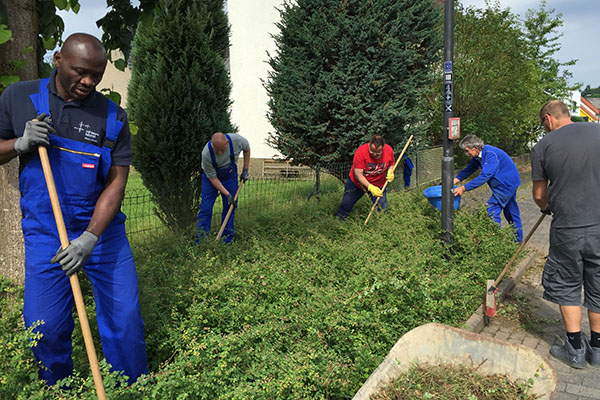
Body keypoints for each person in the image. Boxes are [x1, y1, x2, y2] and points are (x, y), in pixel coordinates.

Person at [0, 33, 147, 386]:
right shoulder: (18, 97)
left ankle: (131, 388)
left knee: (125, 318)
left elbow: (116, 183)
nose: (89, 82)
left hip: (102, 232)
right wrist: (19, 143)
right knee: (45, 325)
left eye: (96, 75)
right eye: (81, 72)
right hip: (46, 230)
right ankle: (59, 388)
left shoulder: (113, 117)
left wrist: (90, 237)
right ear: (57, 59)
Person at [531, 100, 600, 369]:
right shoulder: (597, 130)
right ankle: (597, 348)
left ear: (549, 119)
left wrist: (546, 207)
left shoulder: (543, 147)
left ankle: (574, 349)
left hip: (568, 228)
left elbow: (538, 195)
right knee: (597, 283)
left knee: (567, 283)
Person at [453, 134, 523, 242]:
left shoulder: (490, 155)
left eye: (467, 151)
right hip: (507, 183)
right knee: (511, 212)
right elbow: (469, 169)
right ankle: (517, 241)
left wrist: (463, 188)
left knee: (491, 210)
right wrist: (455, 180)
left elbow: (485, 176)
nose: (465, 154)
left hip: (506, 185)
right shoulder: (478, 156)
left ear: (475, 148)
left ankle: (496, 241)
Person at [196, 132, 250, 243]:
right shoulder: (206, 153)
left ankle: (226, 240)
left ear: (227, 143)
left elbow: (247, 148)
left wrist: (245, 169)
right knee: (206, 208)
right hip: (211, 180)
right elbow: (213, 178)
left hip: (229, 176)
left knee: (230, 207)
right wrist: (227, 194)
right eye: (217, 150)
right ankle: (201, 241)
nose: (220, 152)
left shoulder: (237, 140)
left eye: (222, 149)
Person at [336, 135, 395, 220]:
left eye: (378, 153)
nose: (374, 154)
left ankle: (381, 226)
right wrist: (370, 187)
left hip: (379, 184)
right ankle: (339, 221)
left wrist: (390, 172)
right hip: (357, 184)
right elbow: (358, 174)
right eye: (372, 152)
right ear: (369, 145)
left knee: (381, 209)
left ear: (383, 148)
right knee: (346, 204)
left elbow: (391, 164)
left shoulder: (388, 150)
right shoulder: (361, 152)